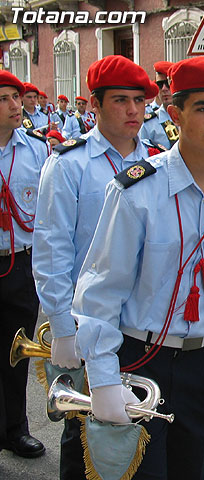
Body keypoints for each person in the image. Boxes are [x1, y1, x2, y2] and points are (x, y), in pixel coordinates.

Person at [71, 56, 204, 479]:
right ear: (175, 115)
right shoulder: (137, 191)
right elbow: (102, 289)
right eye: (203, 108)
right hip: (139, 361)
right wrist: (103, 377)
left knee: (190, 471)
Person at [32, 54, 159, 479]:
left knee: (140, 436)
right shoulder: (69, 164)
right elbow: (52, 251)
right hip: (90, 324)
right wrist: (63, 329)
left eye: (139, 101)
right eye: (121, 100)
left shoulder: (160, 164)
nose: (133, 111)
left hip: (145, 327)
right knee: (88, 439)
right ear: (94, 105)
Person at [0, 70, 49, 459]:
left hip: (19, 264)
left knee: (15, 353)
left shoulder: (37, 150)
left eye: (16, 96)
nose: (16, 105)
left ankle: (15, 430)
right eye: (4, 98)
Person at [140, 61, 178, 149]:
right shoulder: (148, 124)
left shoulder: (190, 117)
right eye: (160, 85)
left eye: (168, 83)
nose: (164, 89)